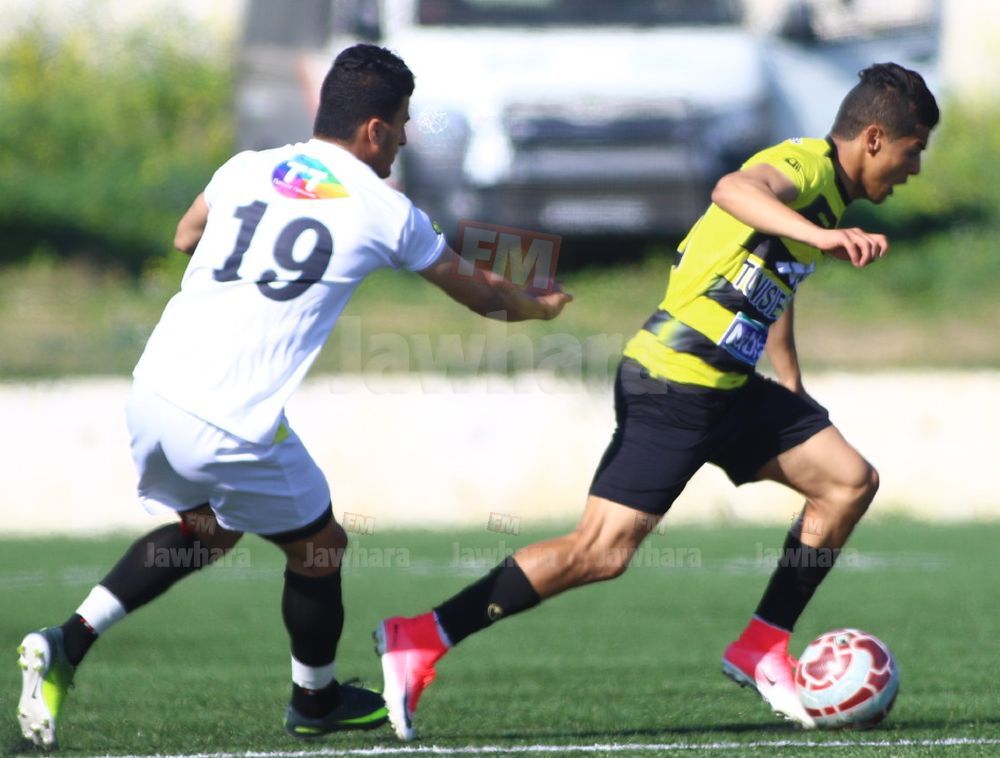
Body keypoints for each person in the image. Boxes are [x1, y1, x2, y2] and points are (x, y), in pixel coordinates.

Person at [15, 43, 571, 750]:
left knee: (207, 532)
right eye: (402, 124)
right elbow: (483, 293)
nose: (404, 139)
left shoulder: (247, 166)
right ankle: (315, 699)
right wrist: (539, 306)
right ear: (374, 128)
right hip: (231, 422)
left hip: (153, 393)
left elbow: (186, 235)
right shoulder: (384, 209)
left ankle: (68, 640)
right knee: (321, 548)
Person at [375, 62, 939, 739]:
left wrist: (788, 382)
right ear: (874, 138)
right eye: (913, 151)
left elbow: (774, 275)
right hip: (674, 381)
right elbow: (734, 189)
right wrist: (823, 238)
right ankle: (421, 635)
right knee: (600, 552)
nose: (914, 169)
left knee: (847, 483)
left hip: (728, 387)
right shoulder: (804, 165)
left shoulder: (830, 199)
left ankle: (761, 645)